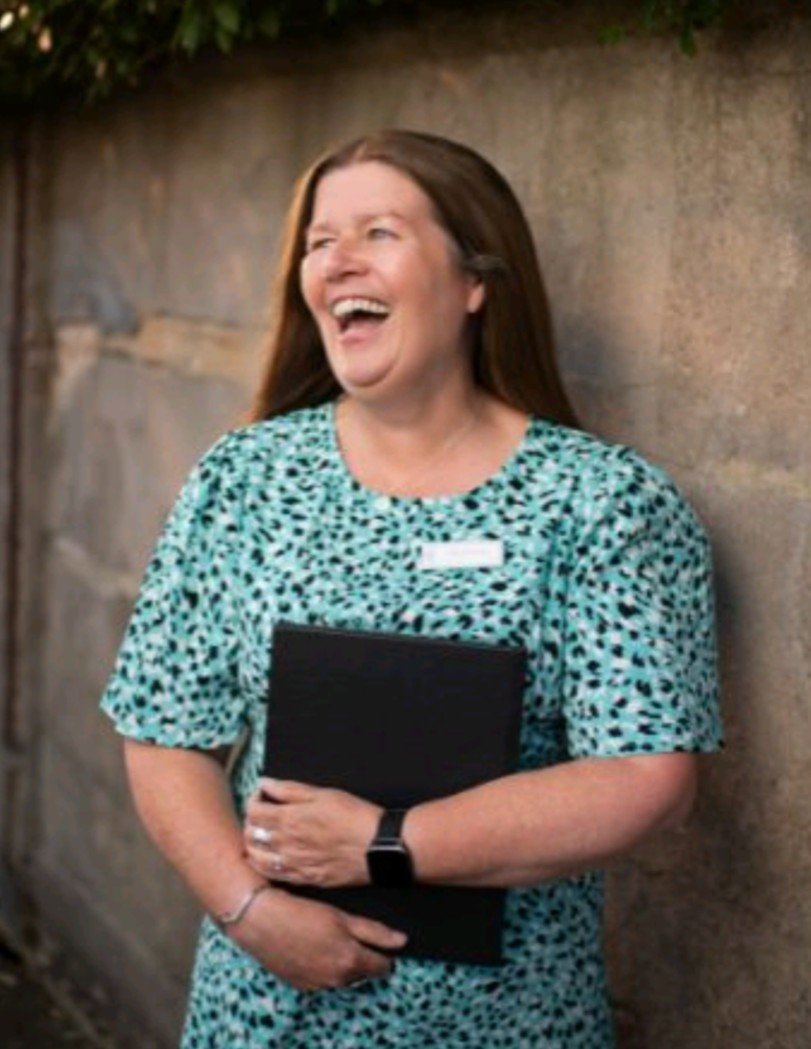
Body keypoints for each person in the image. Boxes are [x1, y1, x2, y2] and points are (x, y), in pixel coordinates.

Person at [100, 129, 723, 1048]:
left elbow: (647, 776)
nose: (337, 260)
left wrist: (385, 842)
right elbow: (162, 731)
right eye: (319, 241)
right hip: (263, 1010)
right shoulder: (244, 478)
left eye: (378, 232)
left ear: (475, 281)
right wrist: (247, 909)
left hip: (507, 1020)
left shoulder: (602, 501)